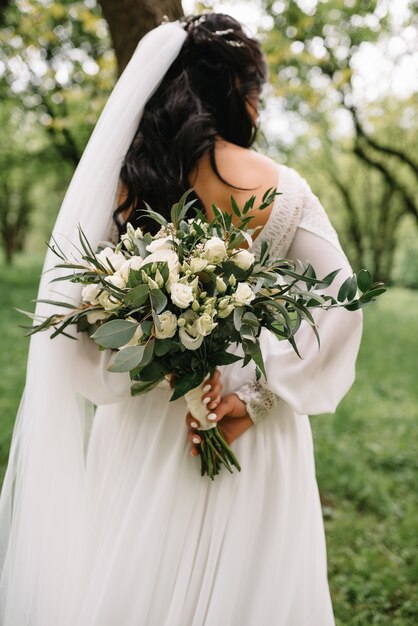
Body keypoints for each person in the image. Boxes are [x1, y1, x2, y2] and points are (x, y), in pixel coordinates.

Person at [0, 13, 362, 626]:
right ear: (237, 95)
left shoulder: (128, 184)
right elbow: (344, 297)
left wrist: (138, 358)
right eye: (256, 94)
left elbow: (80, 312)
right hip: (245, 420)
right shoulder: (278, 186)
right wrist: (261, 396)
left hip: (147, 419)